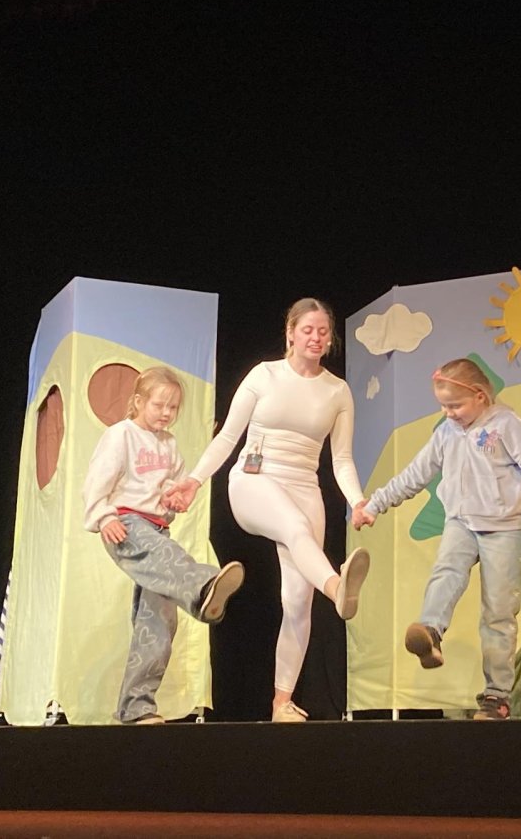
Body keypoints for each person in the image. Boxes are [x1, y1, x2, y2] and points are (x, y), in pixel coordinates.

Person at [165, 298, 371, 723]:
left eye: (323, 332)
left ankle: (282, 703)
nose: (316, 337)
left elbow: (341, 459)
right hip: (253, 482)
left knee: (297, 600)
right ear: (290, 333)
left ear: (330, 339)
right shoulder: (264, 375)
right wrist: (194, 480)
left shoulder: (337, 391)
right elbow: (227, 437)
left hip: (304, 486)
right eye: (307, 329)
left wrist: (357, 500)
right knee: (295, 527)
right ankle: (338, 588)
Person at [352, 358, 521, 721]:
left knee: (498, 613)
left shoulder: (505, 425)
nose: (448, 413)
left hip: (504, 528)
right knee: (446, 571)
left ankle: (497, 696)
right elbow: (414, 475)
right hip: (461, 523)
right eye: (443, 406)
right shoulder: (447, 433)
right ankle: (430, 631)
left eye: (455, 406)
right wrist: (374, 505)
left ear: (480, 396)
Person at [82, 365, 245, 725]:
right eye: (159, 405)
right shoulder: (121, 435)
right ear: (139, 401)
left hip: (156, 529)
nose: (166, 413)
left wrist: (173, 497)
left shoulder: (168, 444)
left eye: (173, 408)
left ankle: (136, 708)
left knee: (157, 623)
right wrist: (103, 516)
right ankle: (204, 589)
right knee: (171, 558)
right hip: (126, 525)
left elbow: (171, 484)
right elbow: (96, 480)